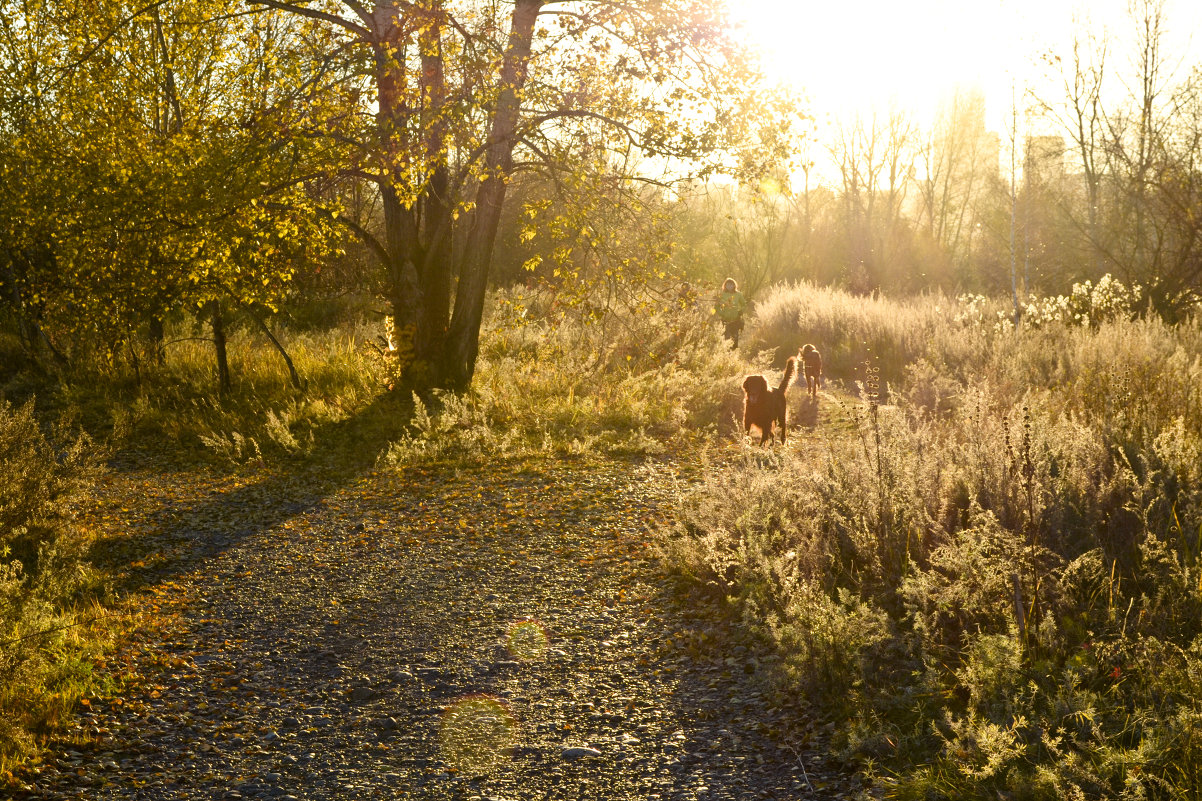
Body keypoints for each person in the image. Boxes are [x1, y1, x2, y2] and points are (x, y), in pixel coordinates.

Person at [714, 278, 746, 348]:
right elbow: (716, 306)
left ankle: (734, 352)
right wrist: (721, 313)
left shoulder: (738, 294)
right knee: (725, 339)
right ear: (725, 285)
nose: (729, 286)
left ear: (734, 285)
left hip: (735, 320)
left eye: (731, 284)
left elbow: (744, 304)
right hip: (725, 320)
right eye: (727, 284)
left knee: (735, 338)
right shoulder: (722, 294)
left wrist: (740, 311)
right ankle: (726, 353)